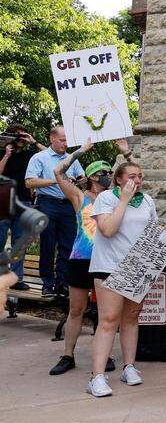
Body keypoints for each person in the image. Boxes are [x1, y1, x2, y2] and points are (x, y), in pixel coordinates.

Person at [48, 137, 132, 376]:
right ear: (93, 176)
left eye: (109, 171)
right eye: (103, 172)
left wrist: (126, 154)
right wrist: (80, 151)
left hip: (107, 260)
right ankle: (67, 355)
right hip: (82, 258)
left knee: (105, 313)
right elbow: (57, 172)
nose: (107, 175)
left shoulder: (115, 197)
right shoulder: (79, 197)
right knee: (76, 309)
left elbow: (133, 176)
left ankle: (105, 355)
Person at [87, 160, 157, 398]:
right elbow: (108, 229)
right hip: (110, 266)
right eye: (131, 176)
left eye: (140, 176)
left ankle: (129, 366)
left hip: (138, 267)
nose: (137, 181)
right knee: (108, 319)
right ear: (118, 179)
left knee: (131, 317)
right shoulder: (107, 198)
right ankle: (97, 376)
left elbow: (152, 233)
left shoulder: (147, 200)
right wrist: (124, 200)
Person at [24, 126, 85, 297]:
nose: (65, 144)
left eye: (68, 141)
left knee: (68, 245)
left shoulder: (72, 158)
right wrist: (56, 181)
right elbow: (30, 182)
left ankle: (62, 283)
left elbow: (81, 177)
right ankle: (47, 284)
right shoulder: (39, 157)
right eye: (62, 140)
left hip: (68, 205)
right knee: (48, 244)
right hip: (47, 204)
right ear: (52, 138)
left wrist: (81, 180)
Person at [0, 124, 45, 289]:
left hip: (23, 202)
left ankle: (16, 279)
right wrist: (6, 154)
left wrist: (33, 141)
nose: (20, 138)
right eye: (17, 135)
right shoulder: (2, 152)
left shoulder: (29, 155)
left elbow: (51, 155)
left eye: (23, 135)